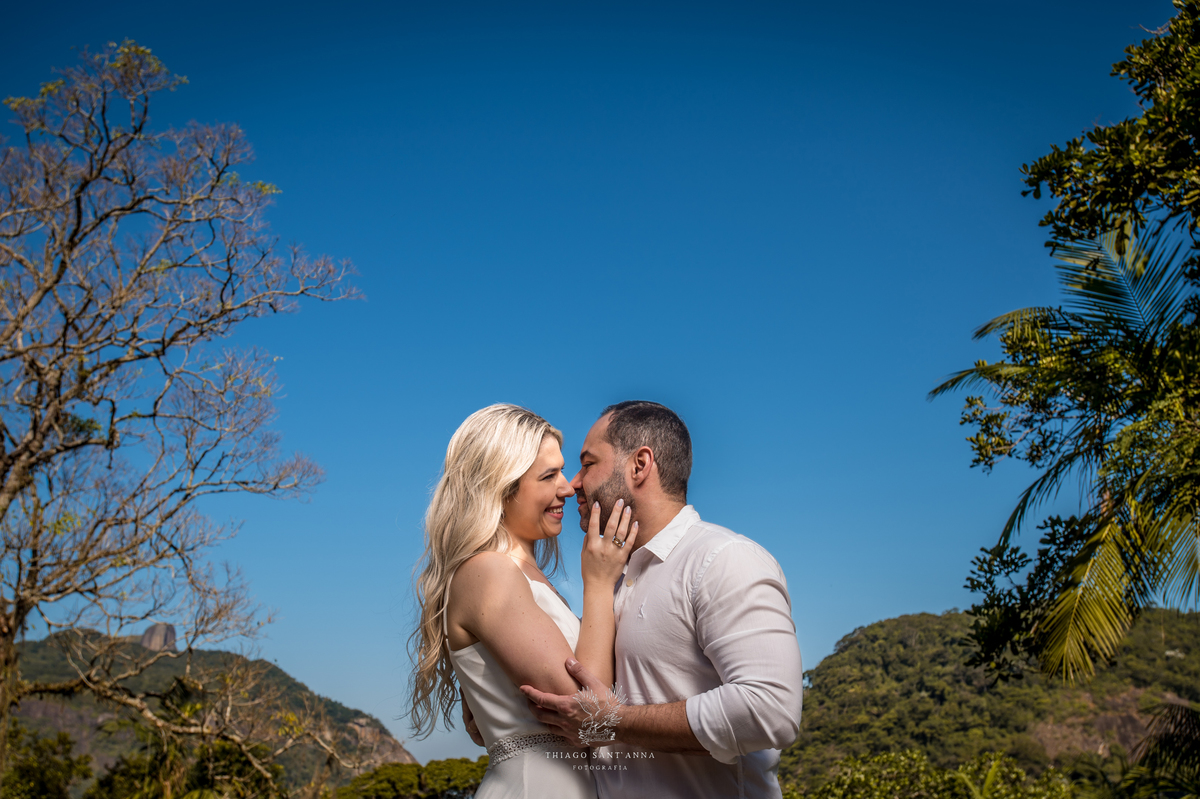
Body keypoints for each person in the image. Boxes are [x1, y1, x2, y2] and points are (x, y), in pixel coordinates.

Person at [521, 400, 804, 798]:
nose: (574, 483)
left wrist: (613, 722)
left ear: (640, 465)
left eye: (588, 464)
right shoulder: (609, 581)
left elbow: (770, 709)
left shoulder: (722, 559)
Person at [408, 404, 636, 799]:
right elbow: (589, 717)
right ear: (499, 486)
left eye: (562, 471)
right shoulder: (489, 572)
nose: (567, 488)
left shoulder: (518, 576)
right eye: (548, 476)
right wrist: (599, 584)